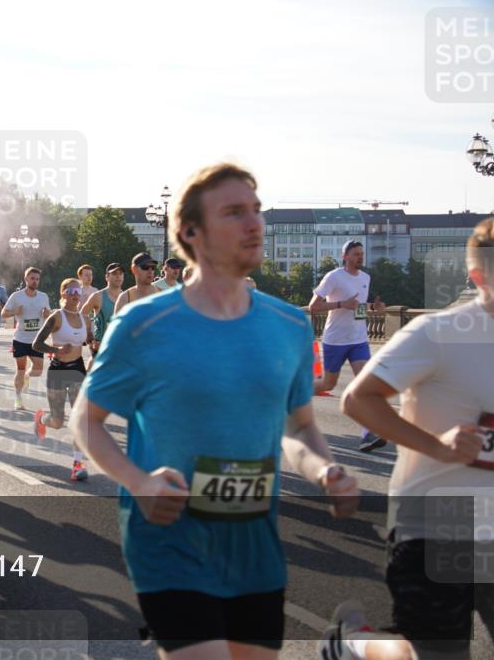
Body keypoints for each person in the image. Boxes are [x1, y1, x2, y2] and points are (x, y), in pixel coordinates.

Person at [71, 162, 358, 659]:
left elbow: (300, 427)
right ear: (190, 232)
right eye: (234, 213)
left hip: (255, 550)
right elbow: (86, 421)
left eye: (256, 210)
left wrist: (325, 469)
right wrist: (138, 482)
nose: (254, 224)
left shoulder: (289, 325)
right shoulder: (145, 322)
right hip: (169, 544)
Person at [320, 217, 494, 660]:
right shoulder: (437, 334)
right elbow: (359, 401)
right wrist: (438, 446)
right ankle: (353, 643)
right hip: (440, 519)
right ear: (479, 279)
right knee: (438, 655)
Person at [308, 240, 387, 452]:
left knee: (366, 384)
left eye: (362, 254)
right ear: (345, 257)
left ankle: (368, 434)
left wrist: (373, 308)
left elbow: (358, 308)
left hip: (358, 339)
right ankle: (295, 392)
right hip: (335, 340)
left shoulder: (365, 278)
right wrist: (342, 304)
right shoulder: (333, 277)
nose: (360, 257)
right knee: (327, 385)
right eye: (355, 254)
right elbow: (313, 307)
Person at [33, 278, 95, 481]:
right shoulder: (56, 317)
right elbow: (37, 344)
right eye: (71, 291)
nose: (75, 294)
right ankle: (42, 419)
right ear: (63, 294)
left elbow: (89, 340)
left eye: (78, 291)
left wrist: (95, 345)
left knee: (81, 418)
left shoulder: (85, 319)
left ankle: (78, 464)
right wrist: (55, 350)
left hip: (77, 369)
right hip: (58, 370)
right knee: (58, 422)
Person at [2, 267, 52, 411]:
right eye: (32, 278)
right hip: (21, 338)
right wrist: (15, 312)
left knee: (38, 370)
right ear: (26, 279)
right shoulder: (16, 296)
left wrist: (47, 313)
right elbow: (4, 314)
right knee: (20, 369)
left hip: (37, 339)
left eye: (37, 279)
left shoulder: (43, 296)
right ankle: (18, 399)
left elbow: (48, 314)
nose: (35, 281)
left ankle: (27, 378)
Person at [81, 262, 124, 360]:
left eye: (120, 274)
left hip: (120, 346)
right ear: (107, 277)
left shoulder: (126, 296)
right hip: (101, 346)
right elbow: (82, 315)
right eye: (114, 274)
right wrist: (89, 334)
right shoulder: (98, 296)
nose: (118, 277)